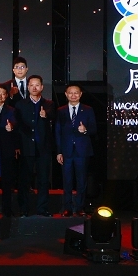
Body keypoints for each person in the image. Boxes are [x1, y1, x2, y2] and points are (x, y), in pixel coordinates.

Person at [13, 75, 55, 216]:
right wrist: (17, 146)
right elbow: (17, 126)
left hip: (43, 148)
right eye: (31, 85)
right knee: (24, 180)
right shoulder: (20, 105)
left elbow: (54, 117)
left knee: (43, 180)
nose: (34, 88)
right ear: (28, 87)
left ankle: (42, 208)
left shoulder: (49, 104)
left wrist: (46, 115)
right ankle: (24, 209)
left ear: (41, 87)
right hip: (26, 148)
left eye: (37, 85)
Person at [55, 84, 94, 217]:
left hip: (82, 151)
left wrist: (85, 130)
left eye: (76, 93)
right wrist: (59, 151)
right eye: (70, 93)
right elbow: (58, 132)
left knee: (81, 180)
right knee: (67, 180)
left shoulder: (88, 110)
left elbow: (94, 128)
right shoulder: (61, 110)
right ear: (66, 94)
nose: (73, 95)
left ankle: (80, 207)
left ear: (80, 94)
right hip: (66, 151)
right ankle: (67, 208)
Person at [0, 85, 21, 217]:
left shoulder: (11, 110)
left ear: (6, 96)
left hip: (6, 149)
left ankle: (7, 210)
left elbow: (15, 125)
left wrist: (11, 127)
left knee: (7, 182)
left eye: (3, 93)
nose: (0, 95)